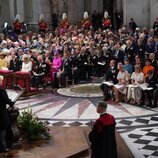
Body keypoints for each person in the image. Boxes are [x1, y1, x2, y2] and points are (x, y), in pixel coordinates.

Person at [0, 75, 14, 152]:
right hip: (1, 114)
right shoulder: (1, 91)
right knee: (2, 130)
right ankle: (3, 147)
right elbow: (7, 101)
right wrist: (11, 102)